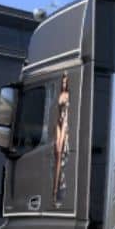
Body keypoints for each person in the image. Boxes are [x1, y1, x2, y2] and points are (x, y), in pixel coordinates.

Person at [52, 72, 70, 206]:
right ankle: (55, 190)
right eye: (63, 82)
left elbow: (66, 116)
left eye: (66, 82)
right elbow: (58, 113)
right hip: (60, 123)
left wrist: (62, 135)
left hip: (66, 125)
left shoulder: (68, 96)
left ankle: (58, 191)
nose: (64, 84)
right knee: (57, 155)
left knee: (61, 155)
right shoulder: (61, 95)